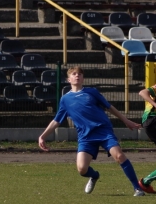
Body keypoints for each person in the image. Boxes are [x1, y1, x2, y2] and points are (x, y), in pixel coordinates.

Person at [38, 66, 145, 197]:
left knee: (119, 156)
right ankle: (94, 176)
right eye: (74, 74)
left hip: (103, 130)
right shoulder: (65, 99)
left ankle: (137, 189)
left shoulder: (91, 92)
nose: (77, 76)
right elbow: (56, 120)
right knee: (82, 169)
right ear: (68, 79)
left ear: (83, 78)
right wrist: (43, 136)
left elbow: (110, 107)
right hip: (85, 136)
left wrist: (126, 120)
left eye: (80, 74)